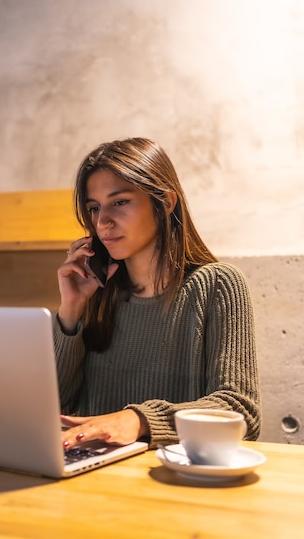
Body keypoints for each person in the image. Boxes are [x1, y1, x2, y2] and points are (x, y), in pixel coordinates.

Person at [55, 137, 261, 451]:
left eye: (119, 201)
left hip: (174, 480)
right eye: (94, 208)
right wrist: (71, 309)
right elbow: (59, 409)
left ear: (165, 202)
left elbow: (241, 412)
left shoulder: (218, 284)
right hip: (92, 475)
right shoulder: (96, 294)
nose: (102, 222)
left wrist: (138, 420)